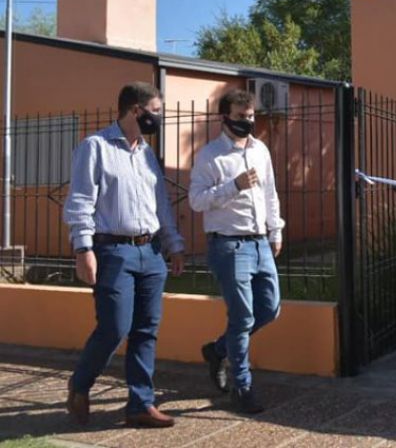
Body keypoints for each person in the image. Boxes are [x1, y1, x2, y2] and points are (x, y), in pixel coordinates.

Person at [64, 82, 185, 428]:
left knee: (146, 330)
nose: (159, 119)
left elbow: (160, 203)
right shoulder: (95, 147)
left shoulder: (147, 153)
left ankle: (140, 404)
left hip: (151, 251)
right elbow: (80, 202)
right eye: (156, 111)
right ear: (136, 111)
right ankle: (81, 383)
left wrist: (173, 243)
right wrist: (83, 248)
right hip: (112, 251)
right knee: (115, 327)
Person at [189, 88, 284, 414]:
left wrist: (276, 229)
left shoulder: (260, 150)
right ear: (224, 117)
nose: (248, 122)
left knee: (269, 309)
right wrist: (234, 186)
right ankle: (242, 387)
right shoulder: (209, 155)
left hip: (260, 242)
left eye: (251, 116)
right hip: (228, 245)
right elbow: (197, 200)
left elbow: (270, 192)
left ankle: (217, 350)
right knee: (242, 317)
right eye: (241, 117)